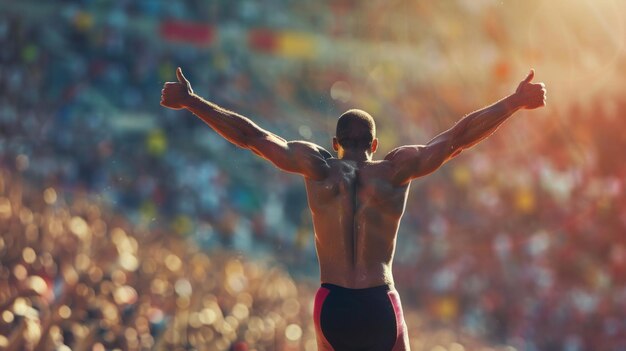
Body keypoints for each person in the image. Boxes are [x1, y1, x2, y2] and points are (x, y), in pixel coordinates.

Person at [160, 67, 546, 351]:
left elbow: (252, 138)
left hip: (333, 304)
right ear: (375, 144)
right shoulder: (395, 171)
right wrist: (513, 102)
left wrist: (192, 101)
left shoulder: (317, 167)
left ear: (335, 142)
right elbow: (457, 140)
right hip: (380, 301)